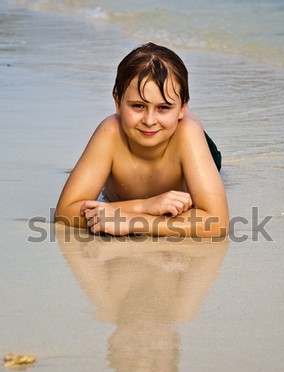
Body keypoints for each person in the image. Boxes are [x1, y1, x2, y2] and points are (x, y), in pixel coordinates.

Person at [55, 42, 229, 237]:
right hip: (162, 131)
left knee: (191, 130)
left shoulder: (187, 134)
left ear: (182, 108)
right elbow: (64, 212)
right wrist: (144, 205)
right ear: (118, 103)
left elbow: (217, 222)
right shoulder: (110, 132)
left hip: (190, 145)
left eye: (163, 107)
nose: (149, 120)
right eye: (138, 106)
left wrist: (134, 222)